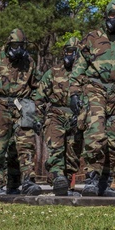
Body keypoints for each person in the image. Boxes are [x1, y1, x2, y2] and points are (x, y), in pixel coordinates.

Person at [71, 0, 115, 197]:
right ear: (105, 16)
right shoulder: (92, 37)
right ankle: (92, 177)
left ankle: (105, 183)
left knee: (114, 141)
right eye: (112, 15)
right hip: (95, 88)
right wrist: (74, 92)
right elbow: (78, 68)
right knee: (96, 133)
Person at [0, 28, 43, 196]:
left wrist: (36, 109)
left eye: (21, 45)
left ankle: (27, 181)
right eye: (15, 46)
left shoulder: (29, 61)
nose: (18, 49)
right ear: (8, 45)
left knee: (25, 145)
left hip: (23, 107)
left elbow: (37, 87)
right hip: (1, 107)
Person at [40, 38, 83, 196]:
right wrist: (38, 118)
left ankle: (68, 185)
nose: (69, 55)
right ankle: (58, 178)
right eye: (67, 51)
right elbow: (39, 96)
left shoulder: (84, 73)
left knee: (73, 153)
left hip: (76, 118)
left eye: (73, 52)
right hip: (55, 115)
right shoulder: (53, 72)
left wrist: (82, 115)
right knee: (56, 150)